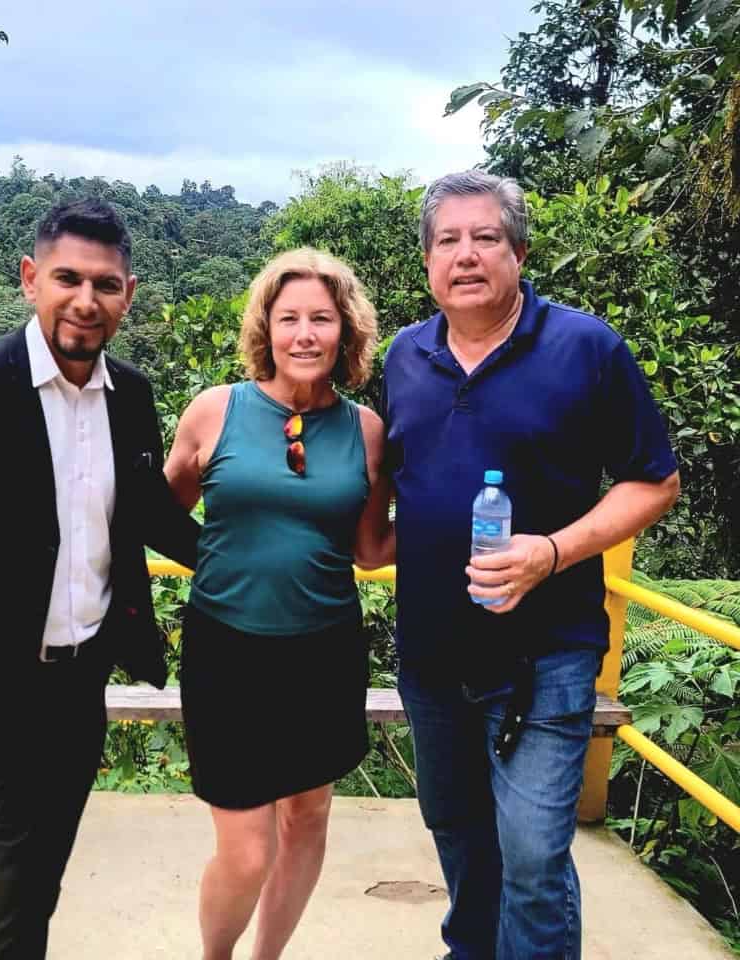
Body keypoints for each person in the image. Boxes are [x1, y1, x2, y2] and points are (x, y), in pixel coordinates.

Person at [0, 199, 200, 960]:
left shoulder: (131, 395)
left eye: (106, 284)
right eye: (67, 279)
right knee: (4, 899)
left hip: (76, 691)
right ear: (31, 279)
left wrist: (263, 557)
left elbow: (150, 515)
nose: (86, 301)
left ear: (128, 295)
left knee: (39, 888)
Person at [381, 170, 680, 960]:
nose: (466, 255)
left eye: (486, 237)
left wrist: (551, 552)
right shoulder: (404, 356)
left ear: (517, 252)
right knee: (457, 832)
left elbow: (655, 482)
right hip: (433, 656)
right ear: (427, 261)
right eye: (448, 240)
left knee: (535, 855)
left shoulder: (585, 348)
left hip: (547, 653)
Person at [164, 248, 392, 960]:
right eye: (288, 318)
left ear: (345, 330)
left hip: (323, 651)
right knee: (245, 851)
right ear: (266, 327)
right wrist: (224, 562)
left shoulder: (366, 430)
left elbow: (370, 549)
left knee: (307, 817)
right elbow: (162, 513)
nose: (304, 334)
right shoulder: (215, 410)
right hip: (225, 649)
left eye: (321, 318)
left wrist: (456, 522)